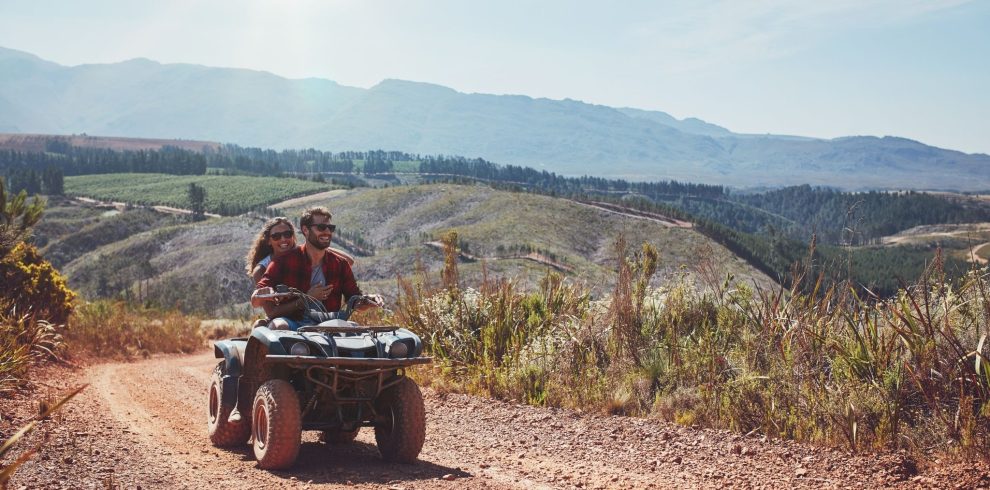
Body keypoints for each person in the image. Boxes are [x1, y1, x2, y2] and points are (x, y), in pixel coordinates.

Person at [251, 206, 368, 331]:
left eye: (330, 228)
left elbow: (355, 298)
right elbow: (260, 303)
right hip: (293, 320)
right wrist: (307, 298)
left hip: (329, 321)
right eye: (321, 228)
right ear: (305, 230)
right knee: (277, 326)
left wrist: (368, 301)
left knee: (359, 332)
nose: (327, 232)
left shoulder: (339, 263)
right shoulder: (280, 263)